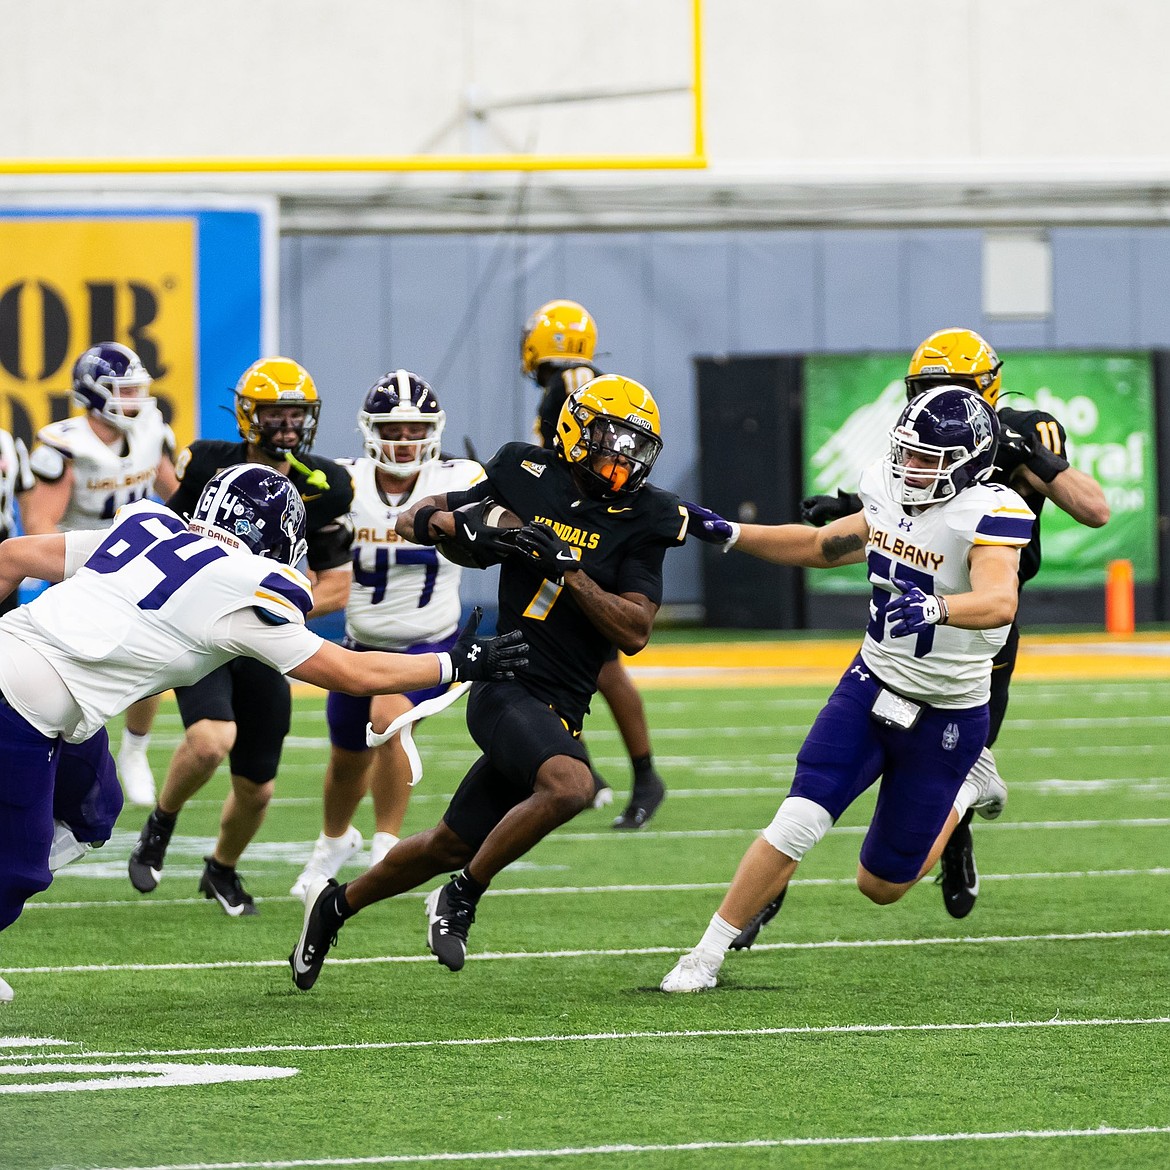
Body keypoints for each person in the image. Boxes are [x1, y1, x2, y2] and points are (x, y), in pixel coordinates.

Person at [0, 464, 526, 1002]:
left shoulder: (147, 528)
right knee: (18, 869)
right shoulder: (241, 592)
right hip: (23, 708)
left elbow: (10, 555)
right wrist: (458, 662)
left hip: (40, 689)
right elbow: (351, 673)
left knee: (96, 807)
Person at [289, 373, 688, 990]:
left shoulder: (648, 514)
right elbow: (418, 519)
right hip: (507, 678)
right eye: (612, 438)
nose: (623, 456)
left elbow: (634, 629)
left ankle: (335, 906)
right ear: (577, 432)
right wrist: (476, 530)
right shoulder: (525, 471)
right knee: (572, 784)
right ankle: (462, 897)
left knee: (449, 841)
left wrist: (570, 570)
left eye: (636, 445)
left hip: (564, 703)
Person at [661, 386, 1034, 992]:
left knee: (881, 885)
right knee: (798, 817)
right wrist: (731, 533)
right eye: (907, 454)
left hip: (947, 713)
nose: (911, 468)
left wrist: (937, 608)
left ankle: (968, 788)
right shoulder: (885, 491)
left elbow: (999, 600)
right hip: (871, 682)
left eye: (928, 459)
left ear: (968, 462)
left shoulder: (989, 512)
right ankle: (705, 954)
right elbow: (821, 544)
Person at [796, 328, 1109, 923]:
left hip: (977, 619)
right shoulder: (921, 437)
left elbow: (1095, 510)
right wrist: (844, 510)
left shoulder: (1024, 428)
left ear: (985, 391)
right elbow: (902, 505)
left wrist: (1031, 453)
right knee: (858, 748)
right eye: (926, 387)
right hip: (909, 606)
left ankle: (955, 827)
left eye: (949, 387)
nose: (935, 400)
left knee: (962, 753)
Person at [128, 357, 354, 915]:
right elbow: (167, 537)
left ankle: (220, 869)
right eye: (275, 413)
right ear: (249, 416)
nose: (287, 426)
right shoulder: (207, 464)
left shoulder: (325, 486)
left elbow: (336, 587)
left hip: (262, 635)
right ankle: (161, 823)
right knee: (210, 740)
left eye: (296, 414)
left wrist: (280, 600)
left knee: (258, 789)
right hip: (205, 630)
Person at [289, 370, 485, 900]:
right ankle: (332, 845)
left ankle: (387, 845)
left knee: (388, 714)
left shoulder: (457, 481)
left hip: (430, 643)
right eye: (393, 429)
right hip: (358, 646)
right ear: (370, 430)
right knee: (346, 757)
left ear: (434, 431)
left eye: (414, 429)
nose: (404, 440)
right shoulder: (341, 483)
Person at [520, 300, 667, 829]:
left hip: (585, 539)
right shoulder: (568, 384)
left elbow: (570, 466)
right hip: (575, 534)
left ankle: (642, 774)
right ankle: (580, 762)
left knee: (600, 662)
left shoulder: (574, 383)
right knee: (578, 658)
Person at [22, 343, 179, 807]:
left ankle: (135, 749)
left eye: (136, 389)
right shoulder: (64, 446)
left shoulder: (151, 430)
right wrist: (73, 579)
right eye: (123, 390)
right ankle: (64, 763)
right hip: (80, 567)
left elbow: (176, 493)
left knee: (155, 658)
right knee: (73, 673)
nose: (134, 400)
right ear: (94, 395)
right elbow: (38, 527)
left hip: (140, 562)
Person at [0, 427, 34, 619]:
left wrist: (30, 542)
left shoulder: (8, 441)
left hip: (2, 543)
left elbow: (25, 492)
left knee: (4, 623)